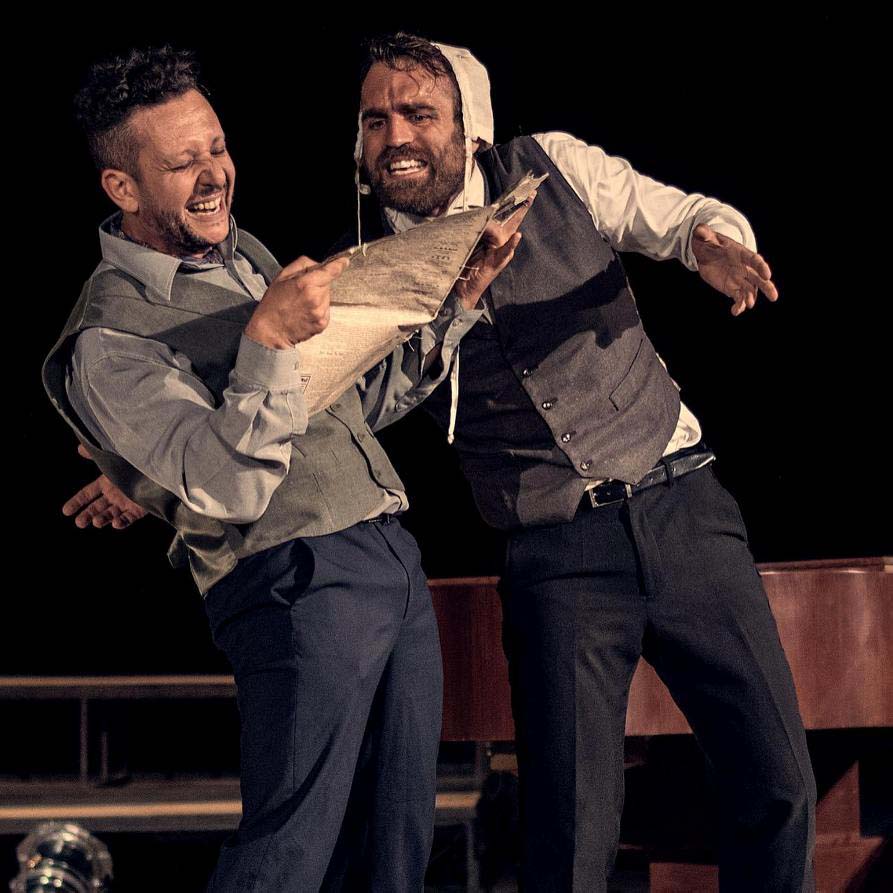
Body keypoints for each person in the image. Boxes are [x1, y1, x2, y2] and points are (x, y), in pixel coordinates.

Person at [43, 45, 522, 892]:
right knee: (288, 855)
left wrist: (456, 306)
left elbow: (348, 406)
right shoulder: (109, 339)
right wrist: (264, 338)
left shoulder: (243, 256)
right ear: (122, 187)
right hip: (293, 580)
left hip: (384, 556)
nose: (213, 175)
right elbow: (229, 484)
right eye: (181, 163)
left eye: (217, 147)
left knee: (391, 851)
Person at [344, 35, 816, 891]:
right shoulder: (370, 269)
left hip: (681, 505)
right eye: (376, 119)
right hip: (556, 552)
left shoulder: (551, 166)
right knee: (568, 840)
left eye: (417, 114)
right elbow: (366, 403)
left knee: (777, 785)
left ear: (471, 128)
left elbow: (678, 216)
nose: (395, 136)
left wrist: (711, 241)